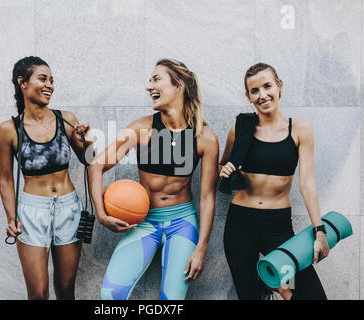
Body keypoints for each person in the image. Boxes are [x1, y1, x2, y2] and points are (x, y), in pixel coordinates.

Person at [89, 58, 219, 300]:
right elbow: (96, 165)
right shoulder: (141, 129)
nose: (149, 87)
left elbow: (207, 196)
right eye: (149, 81)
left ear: (178, 85)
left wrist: (201, 247)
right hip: (145, 221)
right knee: (111, 295)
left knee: (171, 301)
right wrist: (101, 214)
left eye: (156, 79)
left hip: (183, 222)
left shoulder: (205, 137)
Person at [219, 62, 329, 300]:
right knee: (248, 296)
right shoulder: (239, 129)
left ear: (279, 86)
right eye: (254, 91)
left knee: (311, 296)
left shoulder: (300, 129)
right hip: (240, 224)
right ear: (248, 97)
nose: (263, 95)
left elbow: (307, 183)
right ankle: (265, 285)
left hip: (277, 227)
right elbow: (223, 165)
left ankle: (272, 283)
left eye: (267, 86)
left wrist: (319, 232)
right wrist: (224, 170)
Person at [0, 56, 93, 300]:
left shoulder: (66, 119)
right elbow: (6, 179)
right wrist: (11, 217)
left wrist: (87, 143)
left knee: (65, 290)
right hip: (31, 213)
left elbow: (89, 160)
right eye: (43, 79)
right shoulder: (9, 129)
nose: (50, 85)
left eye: (52, 80)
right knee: (38, 294)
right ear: (23, 82)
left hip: (68, 209)